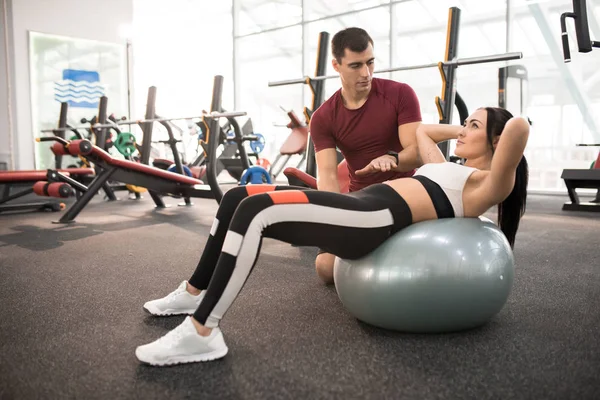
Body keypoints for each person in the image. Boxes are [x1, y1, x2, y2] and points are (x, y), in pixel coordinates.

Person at [135, 106, 530, 367]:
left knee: (257, 212)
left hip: (374, 219)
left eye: (474, 127)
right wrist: (467, 126)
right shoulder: (443, 166)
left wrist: (496, 126)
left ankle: (204, 331)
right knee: (239, 196)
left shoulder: (485, 185)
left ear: (495, 141)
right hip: (358, 204)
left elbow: (518, 127)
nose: (463, 133)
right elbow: (425, 132)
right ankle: (195, 291)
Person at [309, 27, 423, 284]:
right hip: (362, 199)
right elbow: (327, 175)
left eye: (370, 62)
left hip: (406, 192)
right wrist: (335, 216)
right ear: (336, 66)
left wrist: (393, 158)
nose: (366, 73)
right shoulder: (324, 117)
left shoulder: (400, 93)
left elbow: (416, 154)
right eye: (356, 65)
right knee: (325, 268)